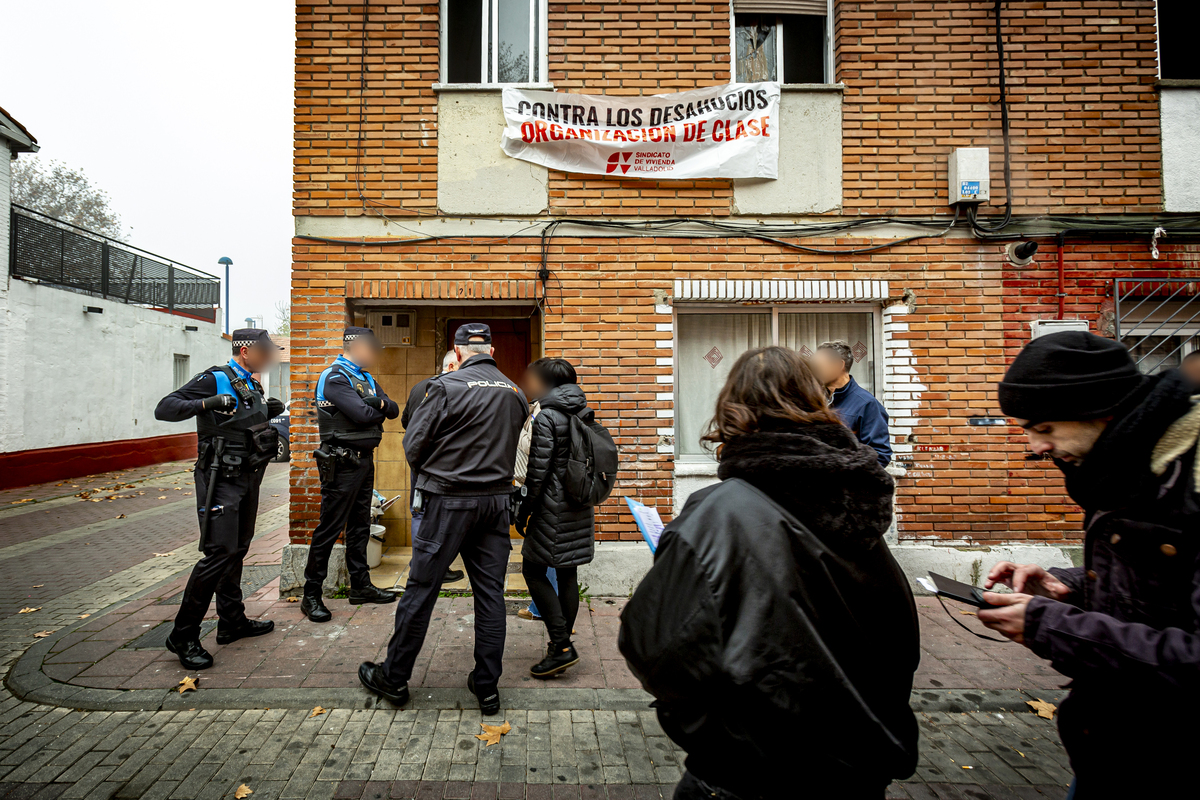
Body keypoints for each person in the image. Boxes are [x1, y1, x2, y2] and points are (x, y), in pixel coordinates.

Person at [619, 346, 920, 800]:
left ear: (733, 409)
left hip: (749, 771)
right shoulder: (860, 512)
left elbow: (655, 646)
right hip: (858, 771)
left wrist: (716, 730)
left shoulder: (719, 512)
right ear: (818, 404)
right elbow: (899, 640)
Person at [979, 331, 1200, 798]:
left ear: (1098, 410)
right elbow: (1161, 587)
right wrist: (1068, 585)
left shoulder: (1186, 479)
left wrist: (1052, 626)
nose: (1036, 448)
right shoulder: (1121, 465)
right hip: (1117, 744)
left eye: (1044, 428)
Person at [358, 323, 528, 715]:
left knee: (421, 590)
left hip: (448, 503)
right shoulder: (516, 393)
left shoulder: (445, 387)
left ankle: (394, 677)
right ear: (492, 348)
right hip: (494, 504)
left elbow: (412, 447)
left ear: (458, 349)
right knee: (490, 595)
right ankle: (487, 687)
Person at [154, 329, 284, 669]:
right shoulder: (215, 378)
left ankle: (231, 621)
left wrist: (267, 411)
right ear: (246, 351)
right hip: (220, 479)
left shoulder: (251, 384)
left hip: (248, 476)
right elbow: (165, 408)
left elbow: (241, 426)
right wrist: (207, 402)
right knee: (218, 553)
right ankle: (183, 634)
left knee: (238, 549)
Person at [300, 326, 400, 623]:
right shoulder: (335, 377)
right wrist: (376, 407)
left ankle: (361, 586)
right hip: (341, 463)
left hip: (364, 461)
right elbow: (363, 415)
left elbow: (391, 409)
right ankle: (311, 594)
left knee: (360, 525)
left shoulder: (366, 378)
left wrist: (378, 404)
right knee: (330, 529)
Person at [514, 358, 596, 678]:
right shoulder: (582, 410)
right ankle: (559, 647)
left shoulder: (547, 415)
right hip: (578, 505)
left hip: (552, 507)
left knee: (533, 570)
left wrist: (524, 510)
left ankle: (561, 647)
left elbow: (538, 472)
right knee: (566, 574)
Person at [401, 350, 463, 585]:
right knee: (442, 514)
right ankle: (434, 566)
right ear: (450, 367)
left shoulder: (419, 387)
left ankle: (419, 563)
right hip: (443, 464)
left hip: (418, 461)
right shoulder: (453, 389)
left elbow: (406, 421)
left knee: (418, 510)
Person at [812, 340, 892, 465]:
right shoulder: (815, 400)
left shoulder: (867, 404)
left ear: (839, 365)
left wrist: (848, 480)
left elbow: (880, 456)